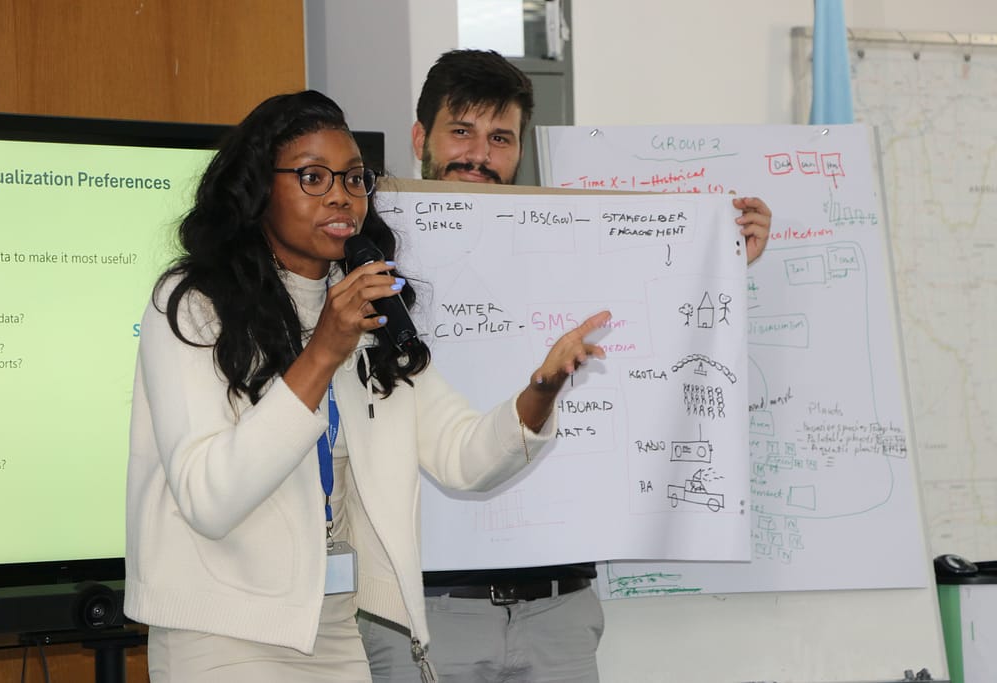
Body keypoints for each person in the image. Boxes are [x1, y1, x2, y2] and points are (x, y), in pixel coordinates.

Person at [123, 89, 611, 683]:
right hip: (222, 630)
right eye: (313, 177)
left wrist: (541, 388)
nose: (340, 196)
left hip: (332, 625)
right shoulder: (193, 304)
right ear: (257, 188)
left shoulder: (367, 306)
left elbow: (463, 458)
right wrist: (324, 349)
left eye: (355, 179)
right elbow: (209, 496)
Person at [357, 49, 773, 683]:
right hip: (424, 606)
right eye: (460, 131)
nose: (479, 154)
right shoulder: (362, 245)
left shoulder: (566, 248)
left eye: (499, 138)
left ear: (519, 149)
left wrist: (720, 261)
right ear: (421, 137)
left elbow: (644, 327)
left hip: (560, 607)